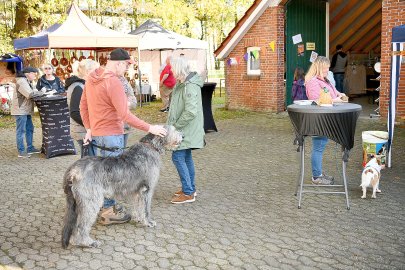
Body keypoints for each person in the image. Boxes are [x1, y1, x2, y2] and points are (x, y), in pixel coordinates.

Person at [80, 48, 167, 224]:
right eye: (126, 65)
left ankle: (104, 208)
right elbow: (125, 115)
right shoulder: (113, 82)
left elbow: (83, 106)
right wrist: (150, 128)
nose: (126, 69)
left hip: (97, 136)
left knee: (102, 176)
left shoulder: (91, 78)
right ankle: (110, 211)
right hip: (112, 135)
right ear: (119, 63)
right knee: (114, 178)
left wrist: (89, 128)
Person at [168, 57, 205, 204]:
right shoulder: (182, 84)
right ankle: (189, 188)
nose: (171, 71)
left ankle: (188, 192)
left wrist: (175, 126)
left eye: (172, 68)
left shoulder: (189, 86)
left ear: (178, 69)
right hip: (184, 129)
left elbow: (190, 111)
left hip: (185, 130)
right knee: (186, 157)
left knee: (177, 157)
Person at [305, 56, 346, 185]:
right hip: (319, 119)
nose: (327, 70)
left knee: (320, 147)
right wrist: (336, 100)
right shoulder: (313, 82)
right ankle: (316, 177)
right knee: (318, 147)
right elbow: (318, 100)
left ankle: (319, 174)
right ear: (318, 67)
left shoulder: (325, 80)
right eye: (325, 68)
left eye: (328, 67)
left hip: (327, 118)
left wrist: (339, 94)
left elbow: (333, 92)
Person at [65, 59, 99, 157]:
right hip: (82, 131)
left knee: (88, 161)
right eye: (96, 70)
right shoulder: (78, 87)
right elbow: (75, 112)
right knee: (89, 161)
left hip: (84, 129)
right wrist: (90, 126)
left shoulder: (82, 85)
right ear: (88, 72)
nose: (98, 73)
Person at [11, 67, 41, 158]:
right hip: (20, 111)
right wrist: (42, 92)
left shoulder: (26, 81)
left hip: (25, 110)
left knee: (30, 128)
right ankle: (21, 151)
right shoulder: (21, 81)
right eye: (34, 74)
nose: (35, 76)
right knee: (21, 131)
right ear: (28, 73)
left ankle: (30, 148)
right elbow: (30, 94)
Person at [118, 75, 137, 147]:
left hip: (125, 125)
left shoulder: (124, 81)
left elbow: (134, 102)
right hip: (111, 128)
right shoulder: (106, 79)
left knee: (122, 150)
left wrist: (125, 104)